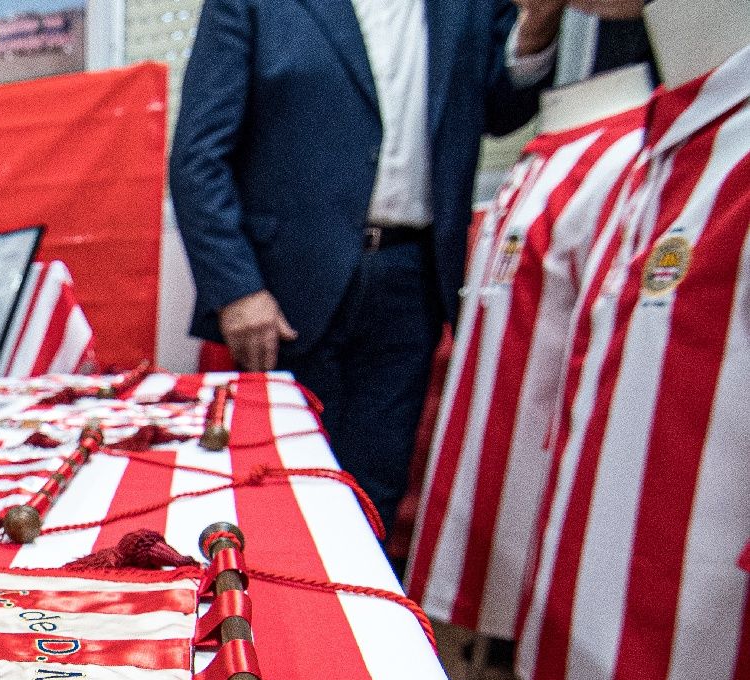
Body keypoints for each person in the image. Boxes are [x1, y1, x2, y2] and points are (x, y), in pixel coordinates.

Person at [170, 0, 567, 536]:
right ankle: (275, 618)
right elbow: (198, 157)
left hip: (412, 278)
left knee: (374, 490)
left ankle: (361, 612)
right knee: (279, 488)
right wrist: (237, 289)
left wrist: (538, 26)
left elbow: (502, 108)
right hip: (285, 288)